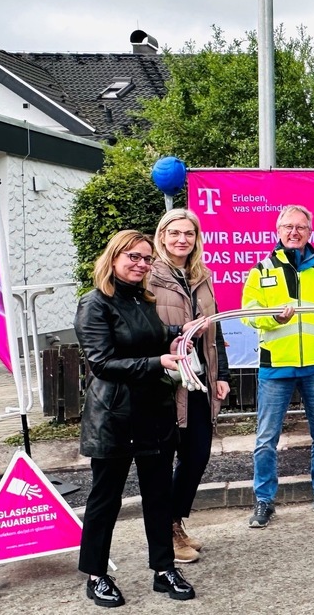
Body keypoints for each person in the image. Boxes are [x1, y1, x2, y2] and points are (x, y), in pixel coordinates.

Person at [74, 230, 205, 606]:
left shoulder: (143, 299)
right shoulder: (95, 303)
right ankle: (96, 575)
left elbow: (148, 335)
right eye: (133, 256)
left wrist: (178, 335)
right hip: (115, 417)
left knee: (158, 497)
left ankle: (164, 570)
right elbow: (102, 363)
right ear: (113, 257)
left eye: (147, 258)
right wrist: (157, 362)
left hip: (154, 413)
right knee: (106, 499)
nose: (141, 264)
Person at [241, 205, 314, 528]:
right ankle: (264, 500)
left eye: (300, 227)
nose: (294, 232)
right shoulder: (262, 270)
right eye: (288, 227)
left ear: (309, 232)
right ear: (278, 231)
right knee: (266, 439)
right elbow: (247, 314)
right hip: (275, 366)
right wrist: (273, 318)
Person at [147, 209, 230, 563]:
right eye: (175, 233)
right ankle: (167, 533)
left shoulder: (201, 276)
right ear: (162, 235)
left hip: (199, 381)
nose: (183, 240)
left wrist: (221, 374)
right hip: (166, 383)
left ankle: (174, 520)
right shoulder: (150, 277)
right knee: (165, 460)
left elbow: (216, 330)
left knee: (197, 455)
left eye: (189, 234)